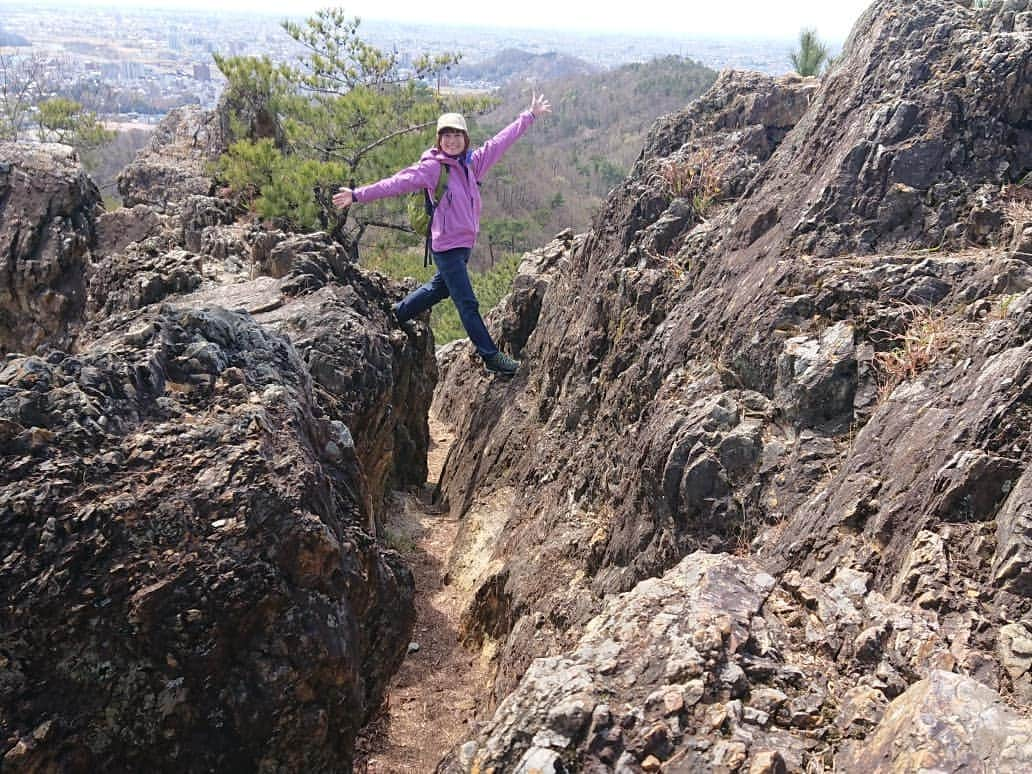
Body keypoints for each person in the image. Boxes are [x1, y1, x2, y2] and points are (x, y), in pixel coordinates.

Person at [333, 94, 552, 376]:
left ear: (465, 138)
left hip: (464, 245)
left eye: (456, 135)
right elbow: (395, 183)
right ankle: (491, 356)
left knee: (441, 288)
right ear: (439, 140)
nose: (451, 140)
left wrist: (529, 115)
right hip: (446, 246)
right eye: (445, 136)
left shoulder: (472, 164)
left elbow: (501, 141)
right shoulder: (432, 167)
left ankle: (397, 314)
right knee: (467, 303)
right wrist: (356, 195)